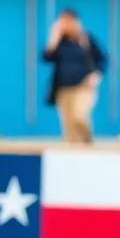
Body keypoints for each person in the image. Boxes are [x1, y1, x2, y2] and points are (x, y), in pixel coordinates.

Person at [43, 8, 106, 143]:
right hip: (63, 89)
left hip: (83, 87)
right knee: (69, 126)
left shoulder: (86, 39)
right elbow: (46, 57)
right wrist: (53, 37)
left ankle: (87, 145)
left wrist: (96, 75)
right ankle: (73, 156)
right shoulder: (59, 42)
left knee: (80, 116)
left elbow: (102, 59)